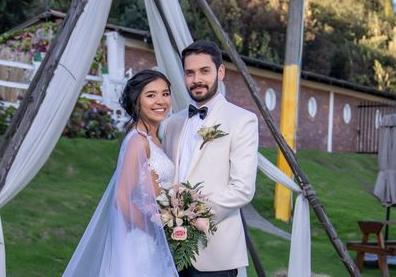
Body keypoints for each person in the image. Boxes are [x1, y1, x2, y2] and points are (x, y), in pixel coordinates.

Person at [63, 69, 179, 277]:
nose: (161, 101)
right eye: (151, 95)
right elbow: (122, 198)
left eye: (165, 93)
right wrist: (156, 229)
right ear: (137, 102)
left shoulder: (152, 137)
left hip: (151, 239)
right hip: (141, 242)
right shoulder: (138, 141)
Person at [162, 40, 258, 277]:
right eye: (190, 73)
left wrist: (189, 216)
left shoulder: (242, 120)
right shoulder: (173, 122)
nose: (197, 80)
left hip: (216, 254)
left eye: (205, 71)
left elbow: (242, 189)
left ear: (221, 72)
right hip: (170, 250)